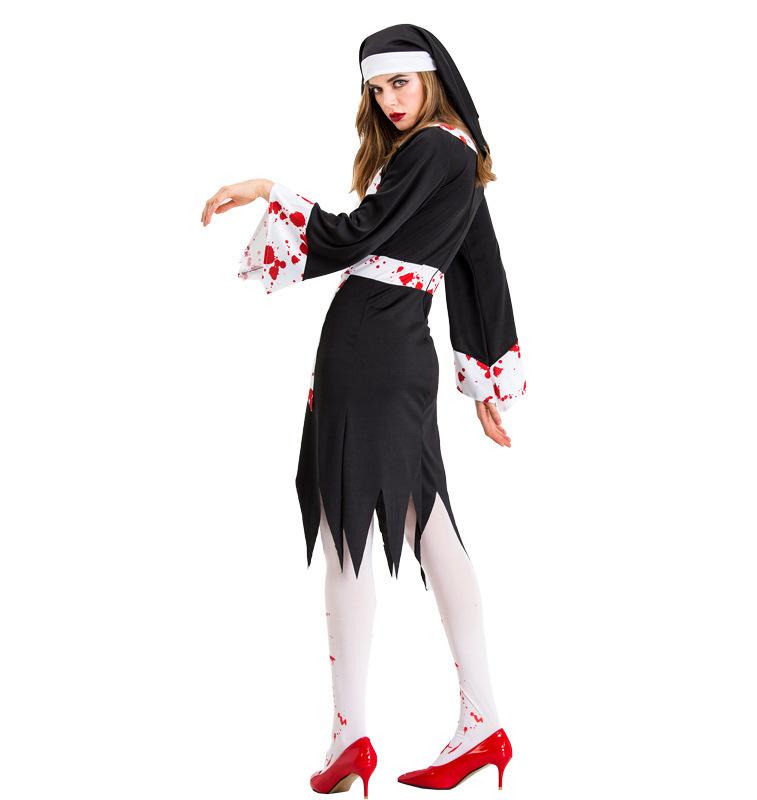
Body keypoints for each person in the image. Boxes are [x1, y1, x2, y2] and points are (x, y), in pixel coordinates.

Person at [201, 23, 525, 795]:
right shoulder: (459, 152)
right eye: (377, 90)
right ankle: (482, 721)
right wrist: (485, 379)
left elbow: (356, 236)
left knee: (349, 525)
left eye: (399, 84)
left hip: (369, 348)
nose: (389, 101)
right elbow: (478, 268)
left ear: (431, 78)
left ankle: (351, 737)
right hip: (401, 351)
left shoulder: (432, 150)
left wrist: (269, 190)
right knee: (429, 524)